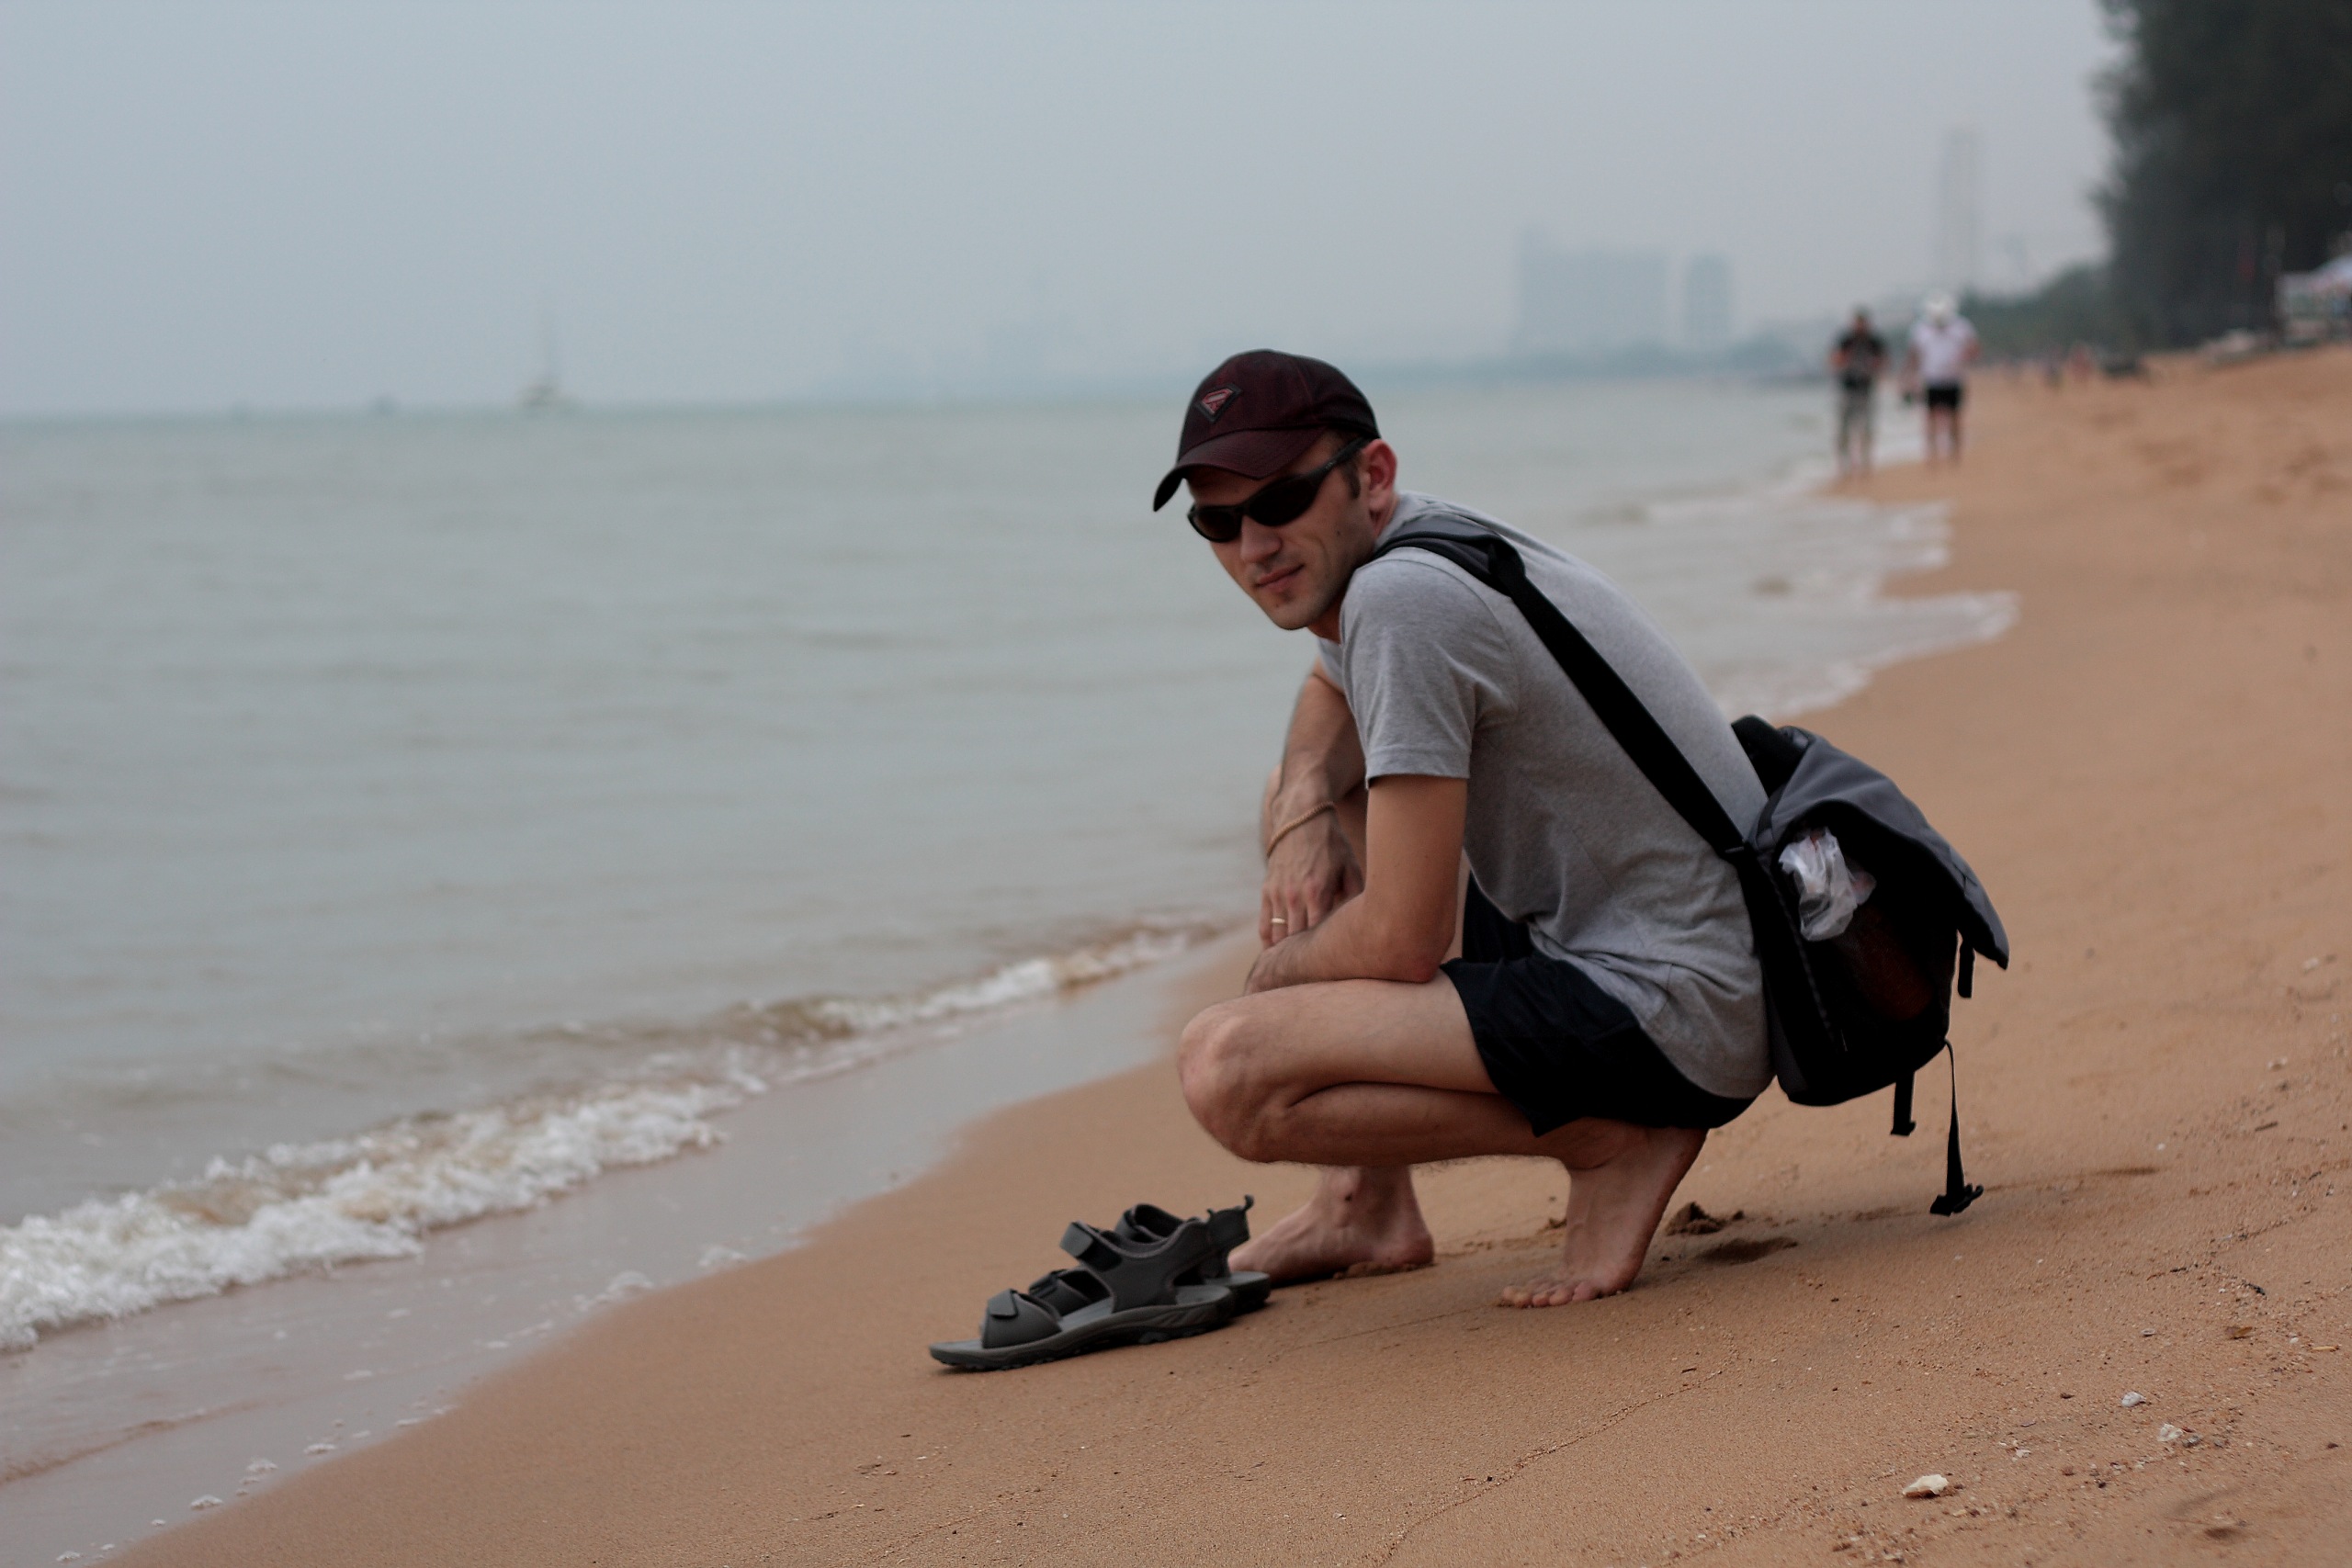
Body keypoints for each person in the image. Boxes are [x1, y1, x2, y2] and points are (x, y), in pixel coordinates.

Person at [1153, 350, 1769, 1307]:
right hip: (1678, 950)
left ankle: (1612, 1140)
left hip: (1674, 1004)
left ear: (1372, 475)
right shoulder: (1406, 544)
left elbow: (1403, 941)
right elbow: (1329, 686)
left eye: (1278, 501)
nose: (1252, 547)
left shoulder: (1403, 600)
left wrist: (1277, 978)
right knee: (1299, 785)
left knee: (1226, 1067)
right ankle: (1365, 1205)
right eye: (1217, 522)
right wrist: (1300, 811)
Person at [1904, 293, 1979, 462]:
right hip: (1931, 379)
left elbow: (1974, 348)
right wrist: (1909, 378)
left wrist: (1965, 356)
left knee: (1955, 416)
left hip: (1954, 378)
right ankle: (1932, 453)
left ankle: (1955, 453)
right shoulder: (1920, 329)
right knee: (1930, 417)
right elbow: (1914, 355)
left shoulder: (1961, 326)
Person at [1828, 308, 1887, 477]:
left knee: (1866, 428)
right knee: (1844, 430)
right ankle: (1843, 464)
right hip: (1847, 389)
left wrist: (1874, 368)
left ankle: (1866, 462)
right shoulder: (1846, 340)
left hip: (1866, 389)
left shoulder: (1874, 341)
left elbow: (1883, 361)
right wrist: (1844, 360)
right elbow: (1835, 360)